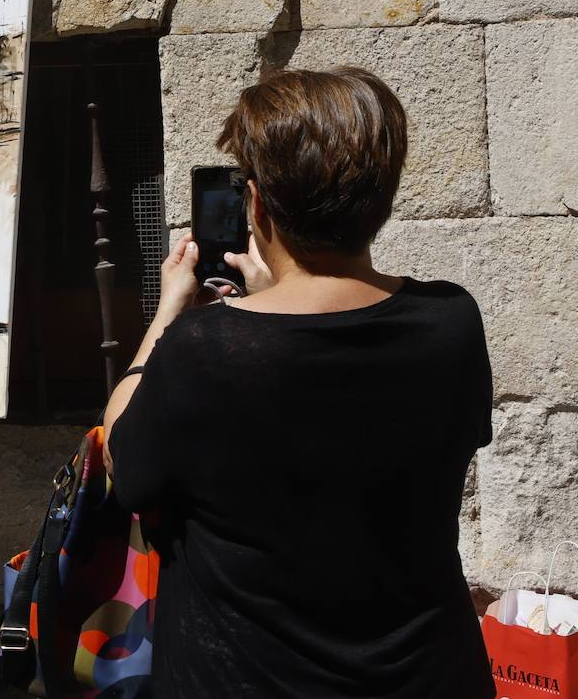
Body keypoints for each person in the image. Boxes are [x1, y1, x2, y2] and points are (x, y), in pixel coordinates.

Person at [104, 67, 494, 697]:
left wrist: (167, 315)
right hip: (427, 675)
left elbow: (125, 462)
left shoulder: (203, 349)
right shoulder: (451, 322)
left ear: (255, 203)